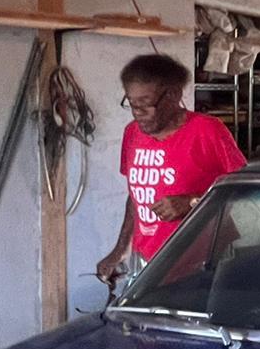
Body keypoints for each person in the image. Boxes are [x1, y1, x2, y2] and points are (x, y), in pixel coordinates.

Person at [95, 53, 246, 284]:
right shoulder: (132, 133)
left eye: (146, 104)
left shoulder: (208, 131)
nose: (138, 113)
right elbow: (137, 196)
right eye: (132, 104)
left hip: (203, 261)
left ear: (174, 95)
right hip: (150, 258)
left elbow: (243, 189)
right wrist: (120, 250)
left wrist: (193, 202)